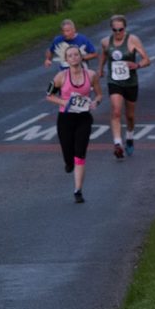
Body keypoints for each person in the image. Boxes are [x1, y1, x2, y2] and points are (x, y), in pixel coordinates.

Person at [45, 44, 103, 203]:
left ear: (81, 57)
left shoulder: (91, 75)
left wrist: (95, 103)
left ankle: (78, 191)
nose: (74, 58)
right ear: (66, 60)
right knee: (68, 153)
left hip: (83, 118)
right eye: (70, 56)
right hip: (65, 119)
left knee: (80, 154)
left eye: (76, 55)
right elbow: (48, 95)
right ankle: (68, 163)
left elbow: (99, 94)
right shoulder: (60, 77)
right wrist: (63, 101)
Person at [97, 15, 151, 158]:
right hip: (114, 81)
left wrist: (137, 65)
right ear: (111, 29)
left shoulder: (133, 40)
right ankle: (117, 144)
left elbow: (147, 60)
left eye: (120, 29)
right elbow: (103, 53)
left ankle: (130, 137)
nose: (118, 33)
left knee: (130, 116)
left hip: (131, 82)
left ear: (125, 28)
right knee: (115, 111)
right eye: (115, 30)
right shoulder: (105, 41)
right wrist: (100, 69)